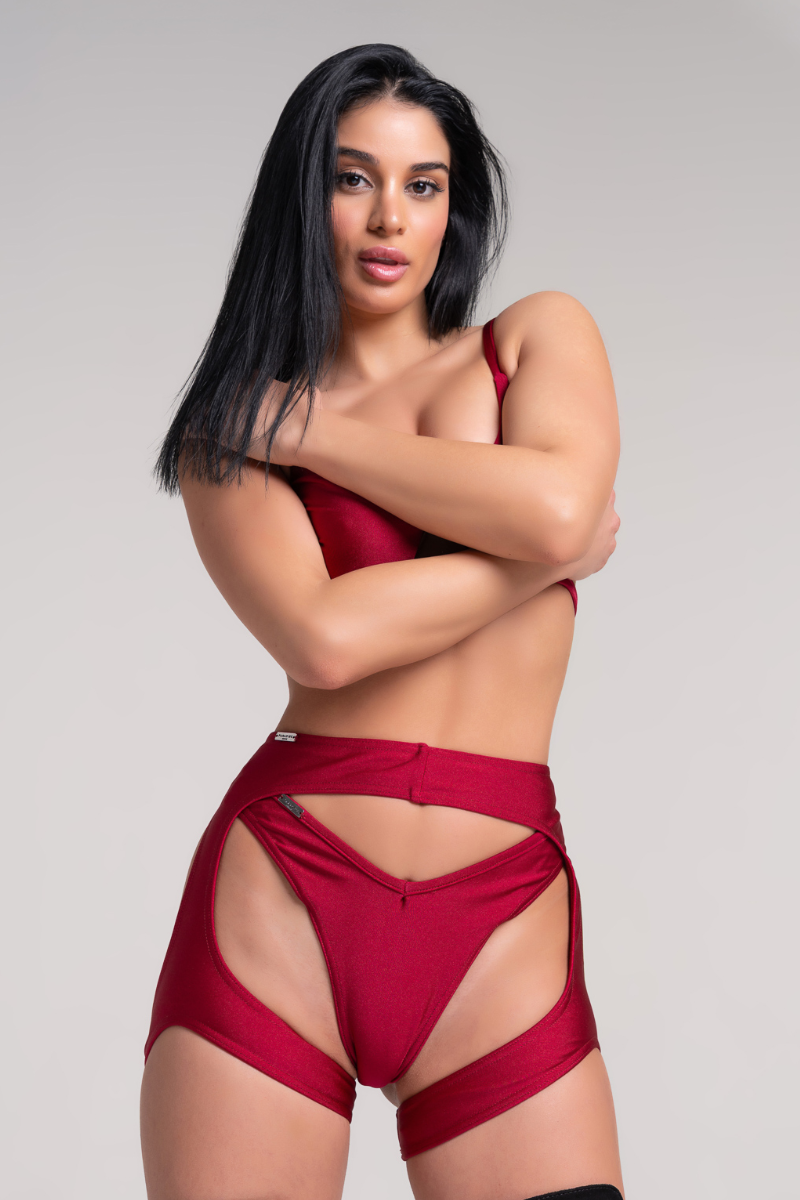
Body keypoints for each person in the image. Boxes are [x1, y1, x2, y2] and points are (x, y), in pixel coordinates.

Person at [140, 43, 623, 1200]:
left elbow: (560, 508)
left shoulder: (529, 339)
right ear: (302, 196)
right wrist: (536, 561)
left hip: (499, 919)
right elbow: (325, 639)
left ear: (455, 208)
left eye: (423, 184)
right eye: (352, 178)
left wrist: (309, 432)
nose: (388, 218)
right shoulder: (225, 431)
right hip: (285, 889)